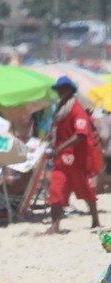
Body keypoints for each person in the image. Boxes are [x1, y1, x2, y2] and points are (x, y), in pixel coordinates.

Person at [44, 76, 100, 234]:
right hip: (62, 159)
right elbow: (61, 131)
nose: (60, 92)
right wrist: (51, 140)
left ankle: (95, 220)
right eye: (59, 89)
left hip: (79, 158)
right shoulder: (61, 108)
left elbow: (81, 134)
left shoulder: (76, 109)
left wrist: (59, 148)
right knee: (56, 189)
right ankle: (55, 225)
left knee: (86, 190)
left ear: (69, 89)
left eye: (63, 89)